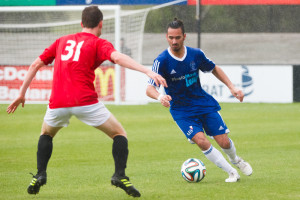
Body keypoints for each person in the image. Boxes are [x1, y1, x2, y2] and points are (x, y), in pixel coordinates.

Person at [6, 6, 167, 197]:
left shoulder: (61, 41)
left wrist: (21, 93)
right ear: (101, 24)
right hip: (85, 101)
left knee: (46, 134)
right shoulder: (99, 43)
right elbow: (117, 57)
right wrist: (147, 70)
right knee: (119, 134)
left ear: (81, 23)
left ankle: (40, 174)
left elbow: (35, 64)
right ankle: (119, 175)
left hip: (58, 102)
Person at [146, 18, 252, 183]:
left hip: (202, 103)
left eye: (177, 37)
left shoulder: (196, 54)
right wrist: (160, 96)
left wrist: (232, 87)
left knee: (223, 141)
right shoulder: (161, 61)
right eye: (170, 37)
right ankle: (232, 173)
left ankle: (236, 160)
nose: (174, 41)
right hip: (181, 110)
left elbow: (214, 68)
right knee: (201, 141)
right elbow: (149, 88)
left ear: (184, 36)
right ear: (166, 37)